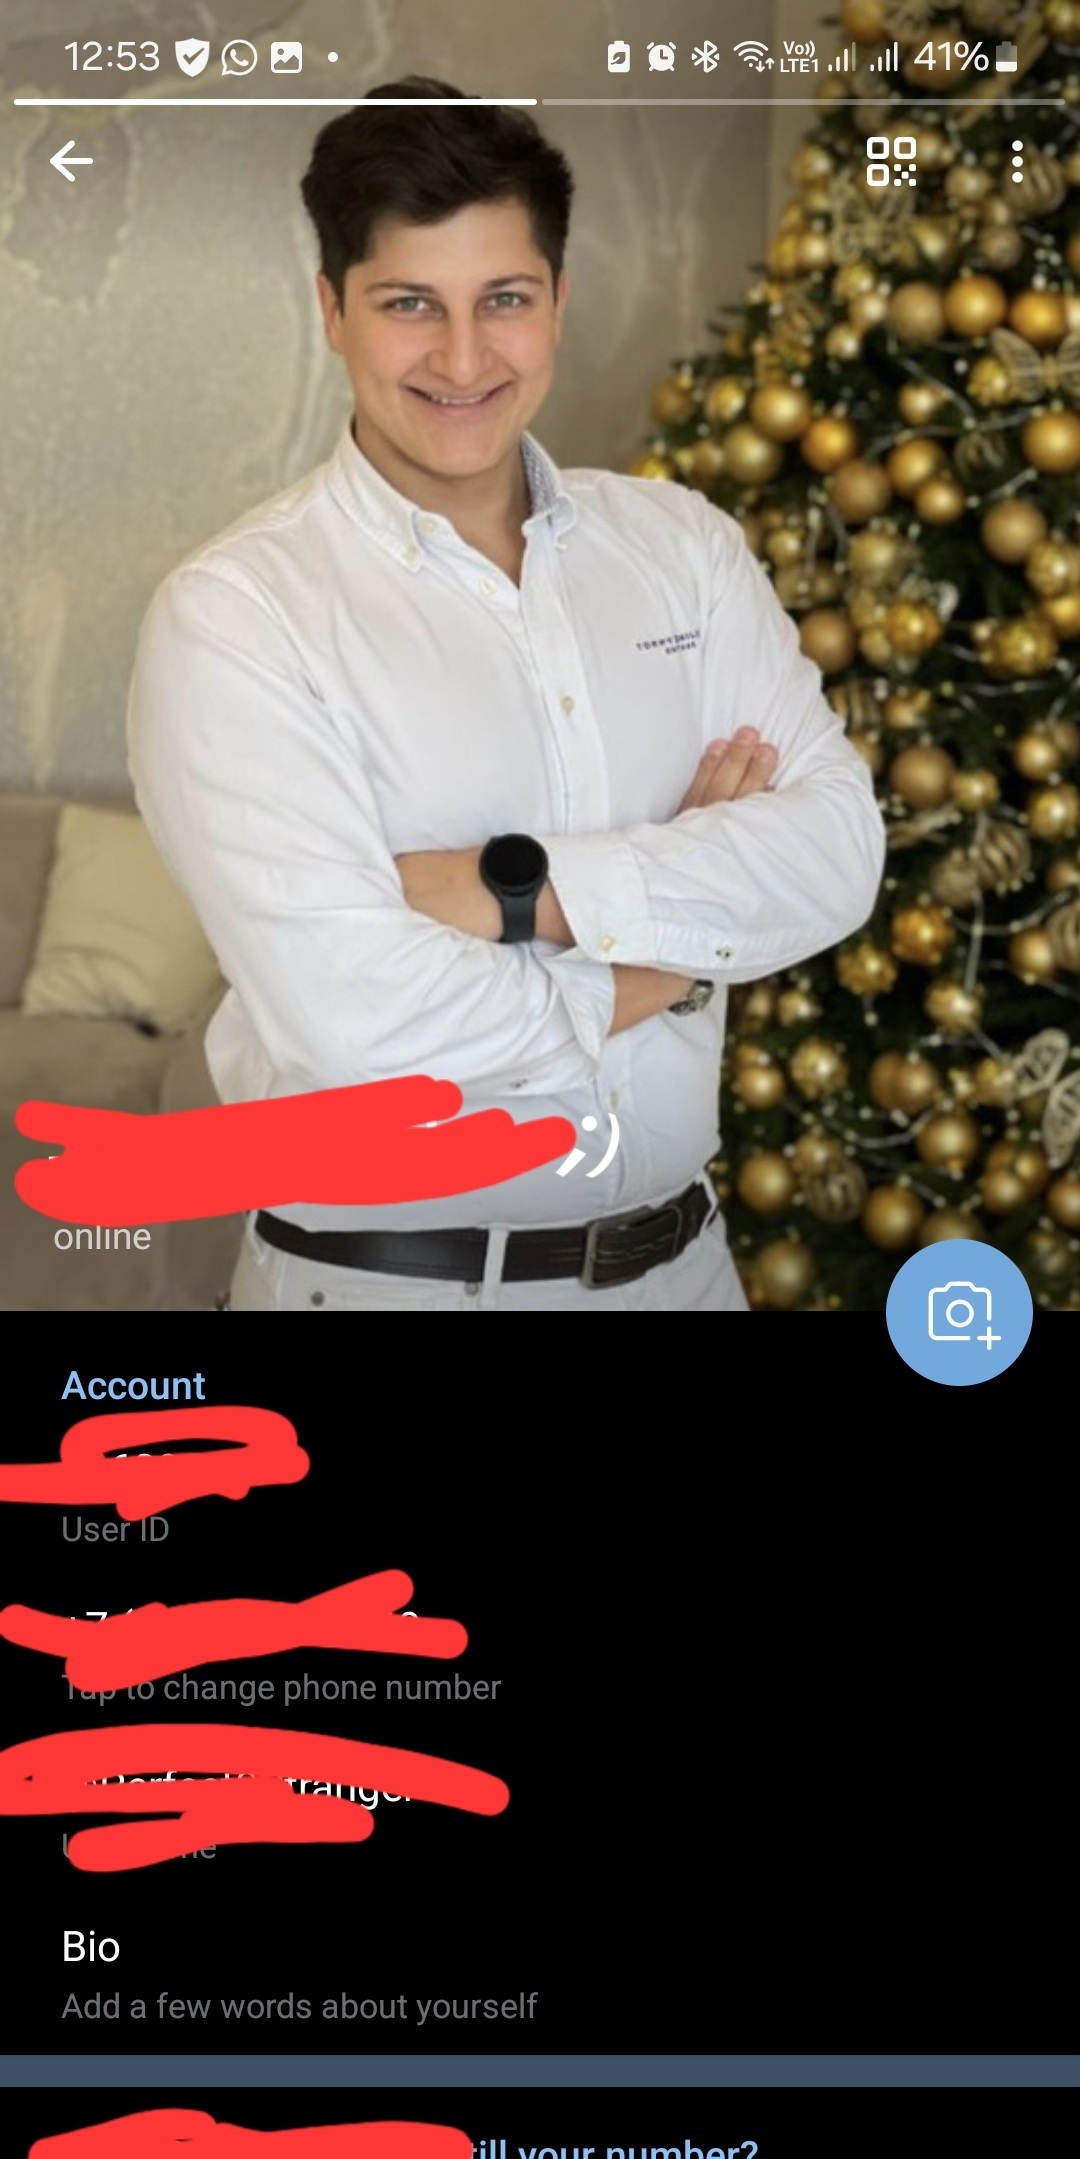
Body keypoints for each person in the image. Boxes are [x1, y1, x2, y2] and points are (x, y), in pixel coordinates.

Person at [128, 77, 885, 1313]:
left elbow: (839, 852)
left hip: (688, 1278)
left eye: (505, 300)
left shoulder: (683, 549)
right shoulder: (237, 616)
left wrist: (509, 894)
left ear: (558, 301)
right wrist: (675, 963)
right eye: (409, 304)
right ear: (331, 310)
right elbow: (357, 1024)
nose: (465, 358)